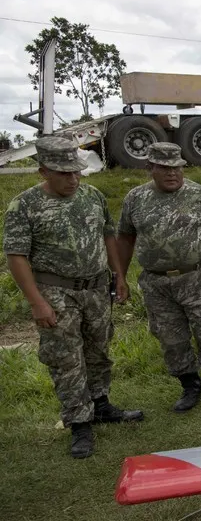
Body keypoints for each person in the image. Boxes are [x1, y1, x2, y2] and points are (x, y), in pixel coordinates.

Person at [3, 136, 142, 458]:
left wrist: (119, 275)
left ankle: (102, 404)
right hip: (55, 292)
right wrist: (37, 302)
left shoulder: (92, 196)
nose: (73, 179)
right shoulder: (24, 206)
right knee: (66, 360)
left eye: (76, 172)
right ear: (43, 172)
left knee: (98, 350)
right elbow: (16, 256)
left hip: (95, 289)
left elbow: (108, 236)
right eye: (64, 174)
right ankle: (79, 422)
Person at [117, 142, 201, 416]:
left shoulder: (200, 194)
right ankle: (190, 387)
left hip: (196, 278)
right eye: (164, 168)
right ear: (150, 168)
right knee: (171, 339)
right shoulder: (135, 199)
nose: (173, 174)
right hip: (156, 284)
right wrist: (120, 276)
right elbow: (125, 238)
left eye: (177, 168)